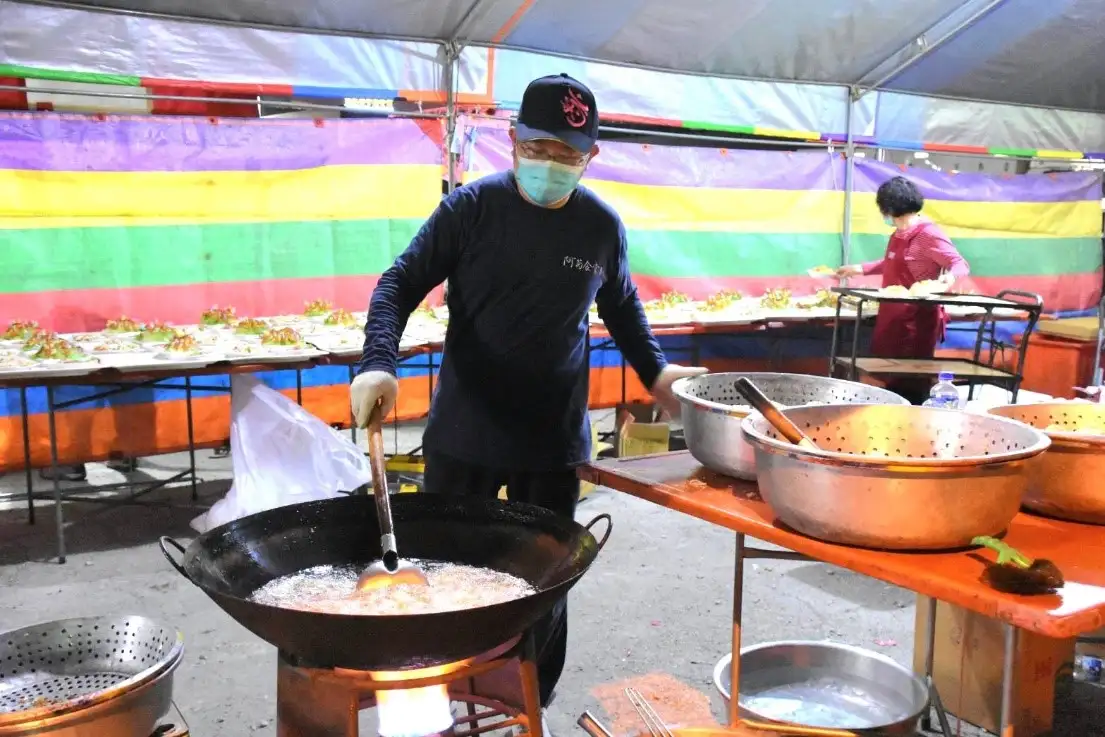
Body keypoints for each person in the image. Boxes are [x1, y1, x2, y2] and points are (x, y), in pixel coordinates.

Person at [349, 74, 706, 717]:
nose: (552, 163)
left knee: (545, 585)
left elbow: (621, 307)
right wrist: (378, 363)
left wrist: (655, 371)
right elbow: (398, 284)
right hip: (466, 432)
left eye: (569, 153)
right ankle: (447, 706)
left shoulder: (600, 226)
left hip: (550, 437)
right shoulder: (471, 209)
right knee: (448, 574)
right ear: (512, 141)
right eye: (540, 146)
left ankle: (531, 706)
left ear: (591, 156)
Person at [836, 175, 970, 404]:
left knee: (909, 378)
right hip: (891, 317)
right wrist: (858, 269)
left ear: (889, 208)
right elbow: (890, 262)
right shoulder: (898, 234)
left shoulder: (928, 234)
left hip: (915, 321)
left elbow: (959, 264)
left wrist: (946, 280)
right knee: (887, 375)